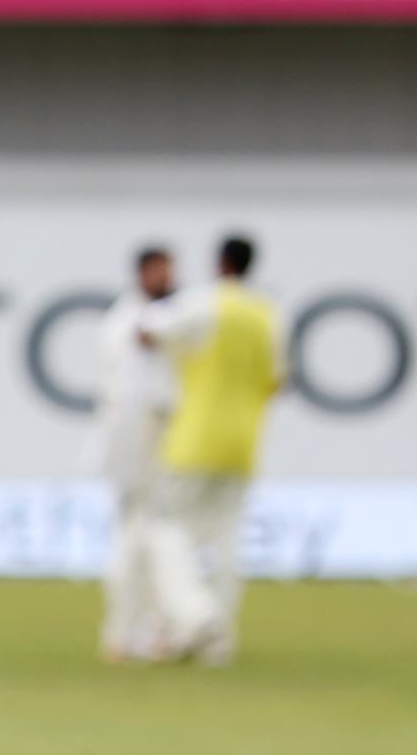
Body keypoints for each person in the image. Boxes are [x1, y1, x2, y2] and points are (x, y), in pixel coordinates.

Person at [143, 234, 281, 666]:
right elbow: (278, 379)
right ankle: (218, 642)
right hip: (244, 442)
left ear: (220, 263)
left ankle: (194, 614)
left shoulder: (204, 303)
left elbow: (149, 332)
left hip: (194, 439)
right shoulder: (267, 314)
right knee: (226, 542)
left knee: (163, 529)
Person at [91, 245, 176, 663]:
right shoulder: (134, 321)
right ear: (143, 273)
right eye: (161, 271)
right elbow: (142, 395)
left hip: (138, 442)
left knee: (140, 539)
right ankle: (133, 633)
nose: (167, 278)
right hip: (142, 444)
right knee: (142, 539)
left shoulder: (125, 319)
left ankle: (133, 633)